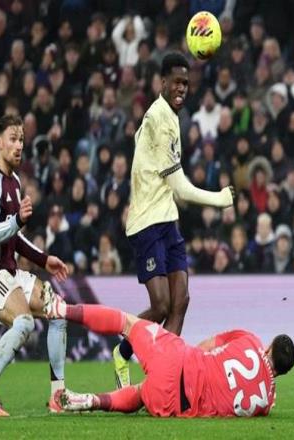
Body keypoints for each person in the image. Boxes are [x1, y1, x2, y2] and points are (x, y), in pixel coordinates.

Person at [114, 52, 235, 388]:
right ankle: (122, 352)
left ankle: (163, 377)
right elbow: (180, 187)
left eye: (186, 83)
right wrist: (220, 199)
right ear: (162, 82)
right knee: (161, 306)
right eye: (177, 82)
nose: (182, 88)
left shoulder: (168, 117)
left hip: (167, 220)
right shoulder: (158, 118)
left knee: (180, 302)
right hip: (146, 223)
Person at [0, 115, 71, 417]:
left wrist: (44, 259)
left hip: (10, 270)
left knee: (58, 311)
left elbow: (15, 236)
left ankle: (58, 396)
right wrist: (17, 220)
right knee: (25, 323)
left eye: (22, 140)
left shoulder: (14, 181)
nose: (18, 146)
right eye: (12, 139)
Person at [45, 298, 294, 417]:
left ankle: (62, 309)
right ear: (282, 373)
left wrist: (186, 358)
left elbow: (210, 345)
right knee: (141, 393)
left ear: (268, 348)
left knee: (127, 323)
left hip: (178, 360)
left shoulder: (251, 340)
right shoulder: (266, 403)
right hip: (176, 405)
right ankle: (94, 400)